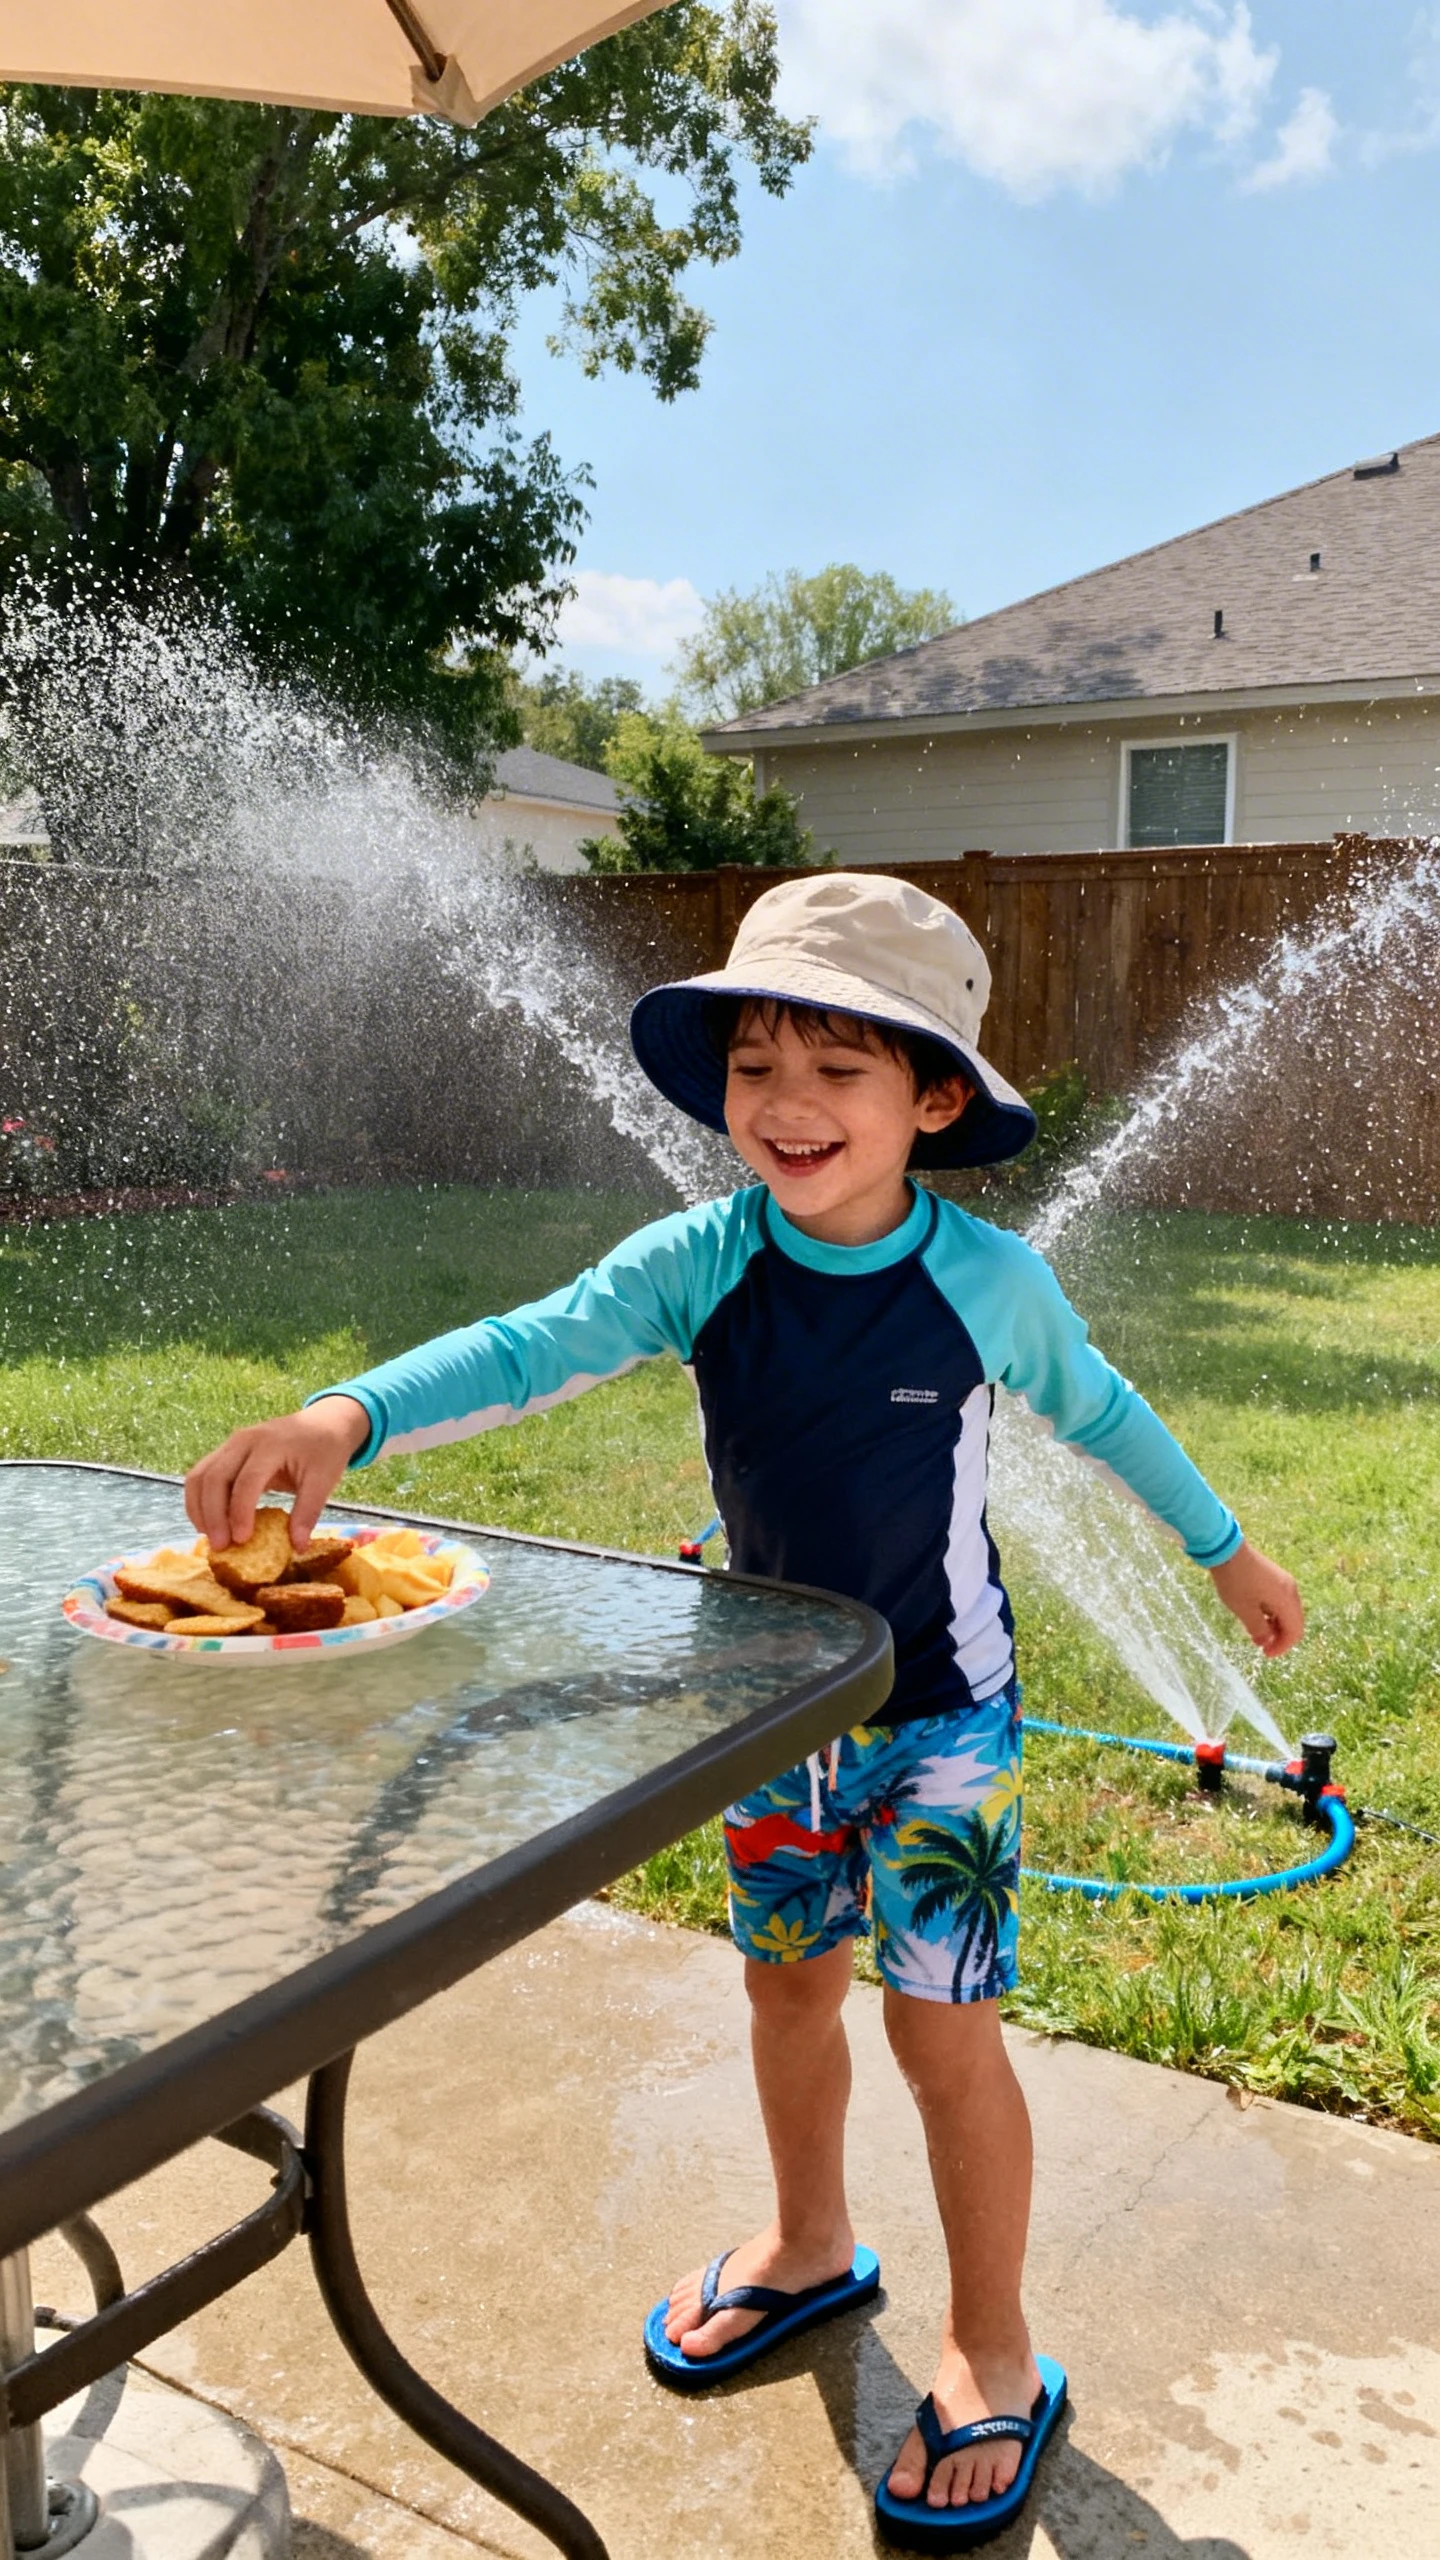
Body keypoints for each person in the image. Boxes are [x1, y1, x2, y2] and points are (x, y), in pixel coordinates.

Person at [186, 872, 1302, 2549]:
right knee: (789, 1996)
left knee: (942, 2038)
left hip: (944, 1723)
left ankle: (991, 2342)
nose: (785, 1104)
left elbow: (1110, 1415)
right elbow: (536, 1342)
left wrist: (1225, 1552)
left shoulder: (991, 1283)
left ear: (933, 1099)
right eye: (756, 1062)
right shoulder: (703, 1260)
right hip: (775, 1722)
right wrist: (351, 1414)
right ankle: (804, 2245)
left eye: (838, 1071)